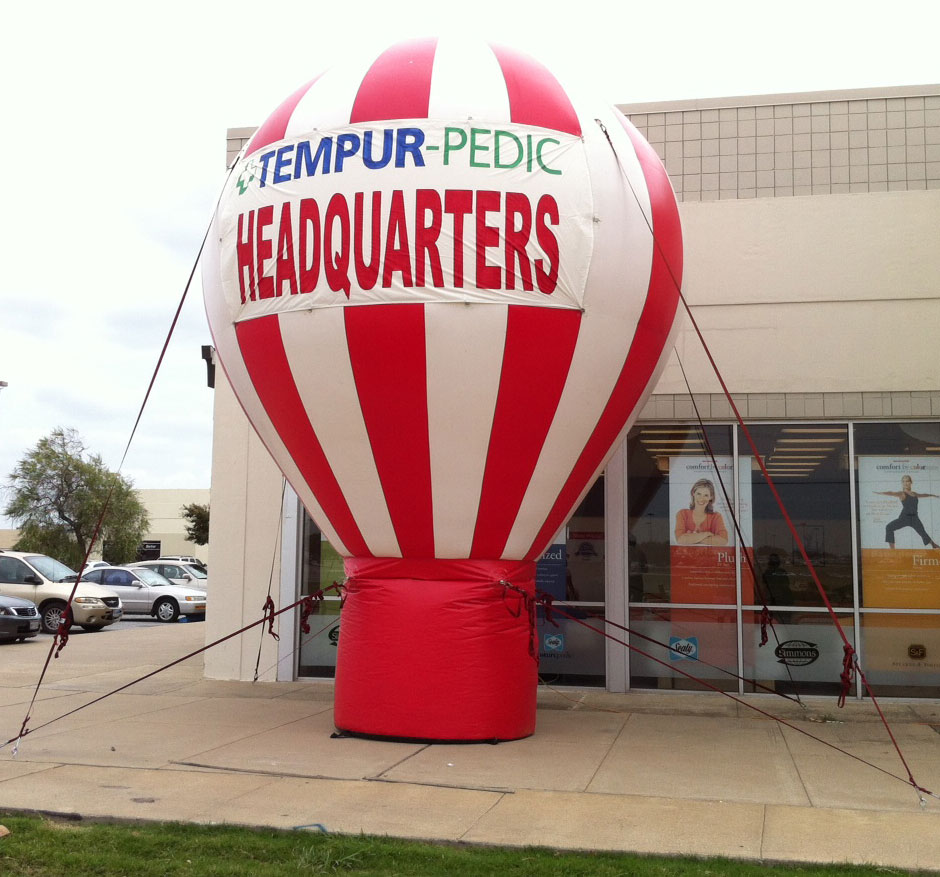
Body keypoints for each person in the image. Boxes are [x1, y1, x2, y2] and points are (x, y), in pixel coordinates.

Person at [876, 475, 940, 549]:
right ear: (902, 483)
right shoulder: (902, 494)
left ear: (911, 482)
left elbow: (923, 494)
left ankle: (933, 545)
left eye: (907, 481)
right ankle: (892, 550)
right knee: (889, 527)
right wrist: (881, 493)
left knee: (923, 532)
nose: (905, 483)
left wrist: (932, 495)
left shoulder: (914, 494)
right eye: (903, 481)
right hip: (904, 517)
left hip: (915, 518)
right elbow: (892, 493)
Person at [674, 478, 729, 546]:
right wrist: (706, 534)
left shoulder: (716, 517)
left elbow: (723, 540)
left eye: (706, 495)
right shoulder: (682, 514)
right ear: (693, 493)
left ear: (711, 497)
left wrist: (692, 538)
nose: (701, 498)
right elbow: (680, 539)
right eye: (699, 494)